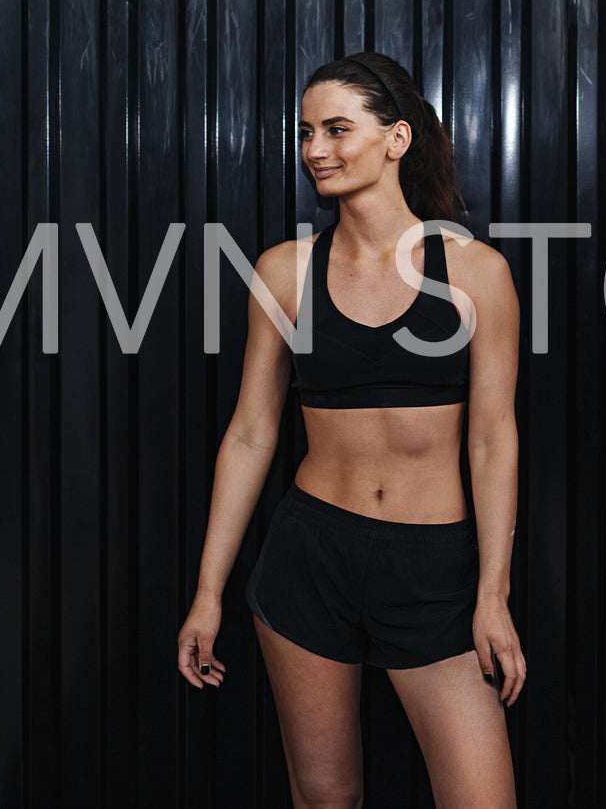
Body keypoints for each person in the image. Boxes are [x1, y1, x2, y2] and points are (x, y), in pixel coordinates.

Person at [176, 51, 526, 807]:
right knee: (327, 796)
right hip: (310, 558)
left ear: (396, 139)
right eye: (305, 133)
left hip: (432, 566)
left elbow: (494, 439)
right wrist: (208, 591)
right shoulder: (284, 272)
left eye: (336, 128)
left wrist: (491, 593)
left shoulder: (475, 274)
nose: (314, 150)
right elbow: (250, 433)